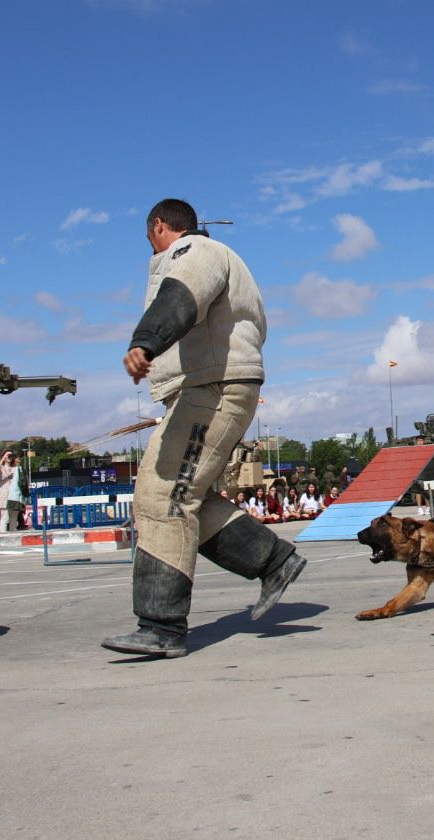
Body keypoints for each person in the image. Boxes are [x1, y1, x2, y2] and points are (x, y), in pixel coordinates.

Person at [104, 197, 304, 659]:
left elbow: (183, 295)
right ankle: (275, 561)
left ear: (158, 226)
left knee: (162, 497)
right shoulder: (218, 257)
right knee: (183, 495)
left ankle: (161, 626)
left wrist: (145, 342)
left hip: (212, 387)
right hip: (210, 386)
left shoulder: (196, 253)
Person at [0, 451, 22, 532]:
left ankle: (13, 534)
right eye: (8, 456)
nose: (9, 457)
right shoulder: (1, 467)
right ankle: (2, 535)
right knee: (5, 517)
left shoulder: (16, 468)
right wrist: (3, 458)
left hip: (15, 495)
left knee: (14, 517)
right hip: (4, 494)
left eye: (11, 456)